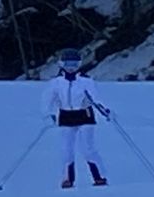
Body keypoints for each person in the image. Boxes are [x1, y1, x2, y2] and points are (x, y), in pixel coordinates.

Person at [43, 48, 109, 188]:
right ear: (61, 64)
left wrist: (104, 110)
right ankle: (67, 179)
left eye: (74, 64)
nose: (71, 68)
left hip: (84, 115)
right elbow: (48, 100)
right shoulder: (56, 82)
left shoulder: (86, 81)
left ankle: (99, 177)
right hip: (66, 116)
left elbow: (96, 98)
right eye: (68, 64)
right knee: (66, 149)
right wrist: (48, 114)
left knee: (87, 148)